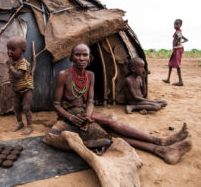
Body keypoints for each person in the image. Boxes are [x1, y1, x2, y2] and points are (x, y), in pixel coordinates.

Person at [52, 43, 192, 164]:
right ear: (72, 57)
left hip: (84, 114)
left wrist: (88, 115)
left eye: (85, 55)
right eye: (77, 55)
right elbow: (56, 104)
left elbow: (90, 101)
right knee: (110, 120)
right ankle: (159, 141)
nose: (81, 58)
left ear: (90, 58)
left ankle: (163, 150)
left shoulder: (90, 75)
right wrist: (70, 117)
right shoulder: (63, 75)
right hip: (70, 116)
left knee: (111, 132)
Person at [7, 36, 34, 135]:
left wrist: (10, 66)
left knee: (26, 108)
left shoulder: (23, 63)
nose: (9, 52)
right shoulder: (14, 62)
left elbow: (18, 75)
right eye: (8, 49)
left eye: (13, 49)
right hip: (17, 89)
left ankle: (29, 126)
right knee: (16, 107)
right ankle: (20, 123)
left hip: (26, 89)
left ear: (22, 51)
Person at [163, 19, 188, 86]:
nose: (175, 25)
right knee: (170, 63)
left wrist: (177, 43)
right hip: (177, 49)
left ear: (180, 25)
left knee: (177, 65)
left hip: (178, 49)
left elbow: (179, 37)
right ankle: (168, 79)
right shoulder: (178, 31)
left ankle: (180, 81)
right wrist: (181, 42)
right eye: (174, 24)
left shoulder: (178, 32)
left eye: (177, 24)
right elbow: (185, 39)